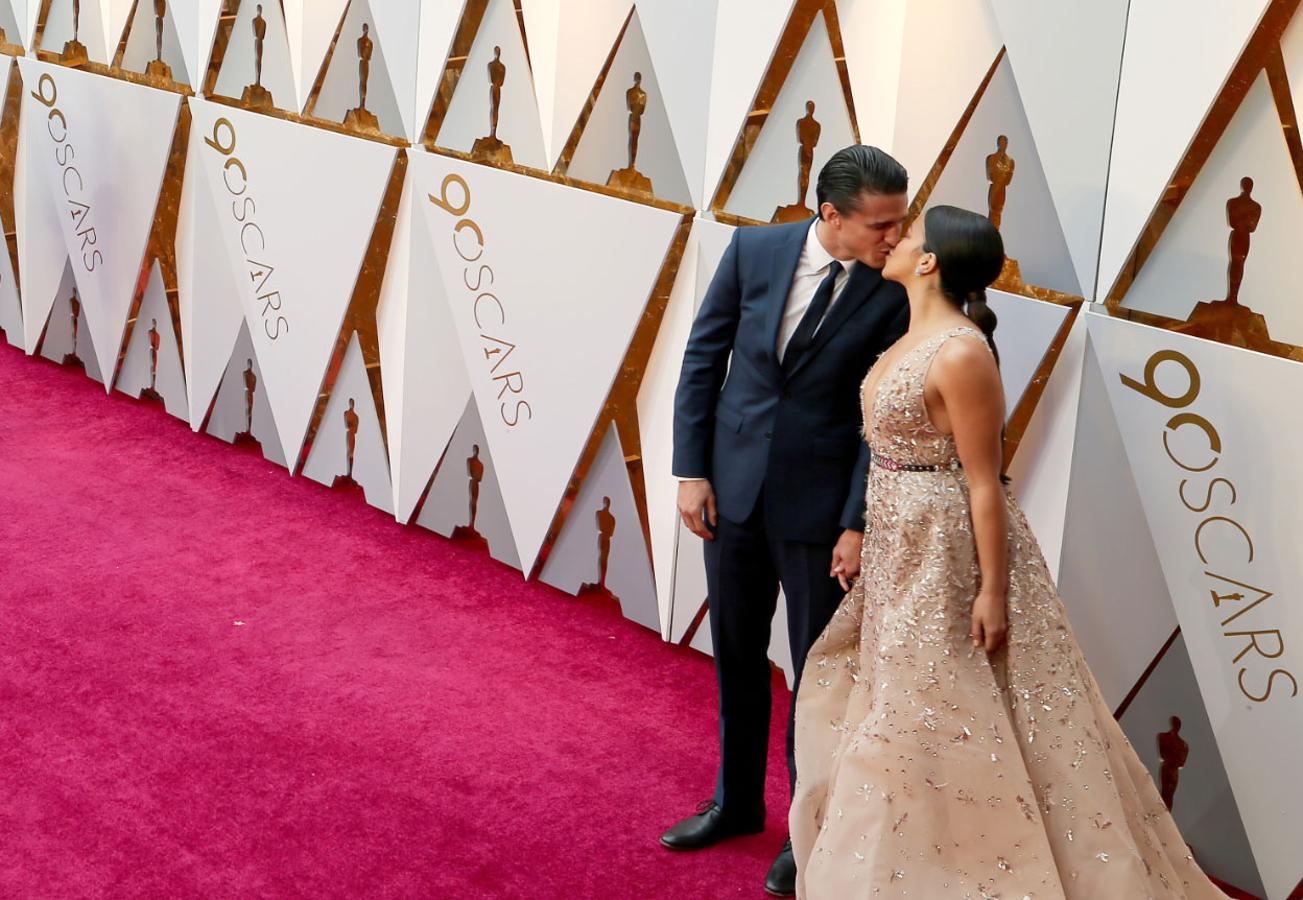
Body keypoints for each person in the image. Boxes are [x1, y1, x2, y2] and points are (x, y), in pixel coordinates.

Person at [788, 205, 1229, 899]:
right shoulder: (913, 333)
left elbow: (983, 484)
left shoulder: (960, 352)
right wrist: (865, 536)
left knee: (926, 711)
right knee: (898, 707)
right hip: (900, 548)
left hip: (946, 555)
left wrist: (991, 590)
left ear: (929, 261)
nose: (895, 240)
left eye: (907, 235)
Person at [662, 146, 911, 897]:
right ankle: (735, 803)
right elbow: (703, 357)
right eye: (880, 224)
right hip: (730, 493)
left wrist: (855, 521)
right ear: (829, 216)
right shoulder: (755, 248)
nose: (895, 237)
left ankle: (809, 835)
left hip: (820, 510)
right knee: (735, 657)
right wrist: (690, 470)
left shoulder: (893, 288)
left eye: (900, 221)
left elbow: (884, 415)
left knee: (817, 677)